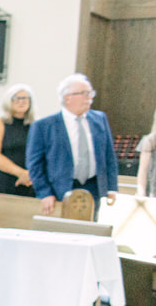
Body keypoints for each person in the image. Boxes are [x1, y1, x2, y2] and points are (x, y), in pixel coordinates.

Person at [26, 73, 118, 219]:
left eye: (91, 93)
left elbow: (109, 155)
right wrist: (45, 192)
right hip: (59, 190)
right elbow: (34, 164)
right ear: (67, 97)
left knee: (88, 231)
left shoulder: (99, 119)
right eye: (84, 93)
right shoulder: (44, 126)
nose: (90, 97)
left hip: (92, 187)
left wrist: (112, 187)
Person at [0, 84, 36, 196]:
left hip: (28, 181)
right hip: (3, 180)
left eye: (25, 98)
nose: (21, 101)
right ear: (9, 101)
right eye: (16, 98)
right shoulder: (0, 123)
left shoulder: (36, 125)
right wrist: (20, 173)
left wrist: (29, 175)